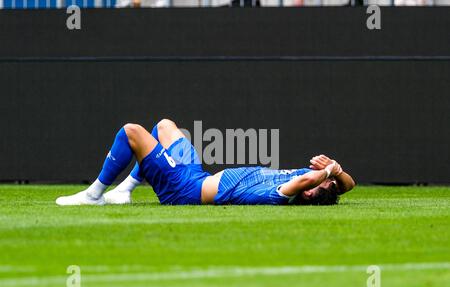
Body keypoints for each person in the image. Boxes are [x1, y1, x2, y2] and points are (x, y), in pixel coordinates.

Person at [56, 119, 355, 206]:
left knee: (131, 132)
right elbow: (348, 186)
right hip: (196, 176)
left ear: (309, 191)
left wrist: (328, 170)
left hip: (183, 190)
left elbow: (309, 181)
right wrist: (337, 171)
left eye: (322, 180)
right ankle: (125, 190)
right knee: (164, 126)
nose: (320, 174)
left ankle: (94, 194)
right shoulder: (312, 181)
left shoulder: (285, 193)